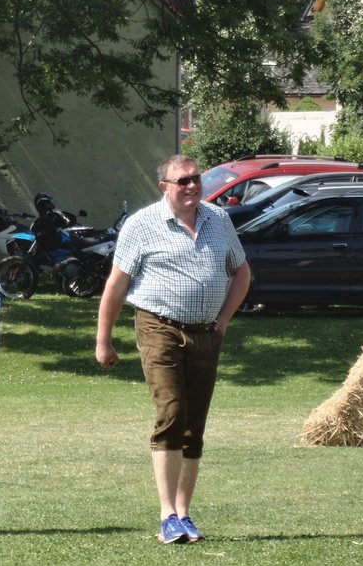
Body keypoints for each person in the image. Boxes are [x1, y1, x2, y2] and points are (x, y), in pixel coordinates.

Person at [95, 155, 251, 545]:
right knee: (173, 411)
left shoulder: (218, 220)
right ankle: (167, 515)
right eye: (182, 181)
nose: (192, 186)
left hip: (206, 333)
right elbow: (116, 285)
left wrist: (224, 317)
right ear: (164, 187)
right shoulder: (142, 225)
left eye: (195, 178)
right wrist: (103, 340)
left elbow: (242, 271)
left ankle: (184, 513)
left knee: (194, 423)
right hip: (159, 328)